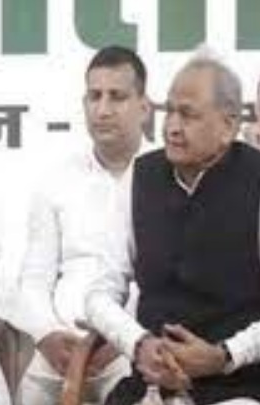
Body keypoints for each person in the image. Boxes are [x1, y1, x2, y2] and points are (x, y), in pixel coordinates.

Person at [86, 55, 260, 404]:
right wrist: (139, 344)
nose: (172, 127)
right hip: (152, 382)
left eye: (188, 115)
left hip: (236, 385)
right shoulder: (140, 176)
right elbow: (99, 293)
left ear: (228, 125)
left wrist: (224, 356)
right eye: (169, 112)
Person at [11, 45, 150, 404]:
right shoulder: (57, 180)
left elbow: (166, 284)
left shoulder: (165, 177)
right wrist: (47, 335)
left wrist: (122, 338)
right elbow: (35, 278)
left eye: (117, 96)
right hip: (59, 346)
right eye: (94, 96)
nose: (103, 109)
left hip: (135, 346)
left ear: (144, 107)